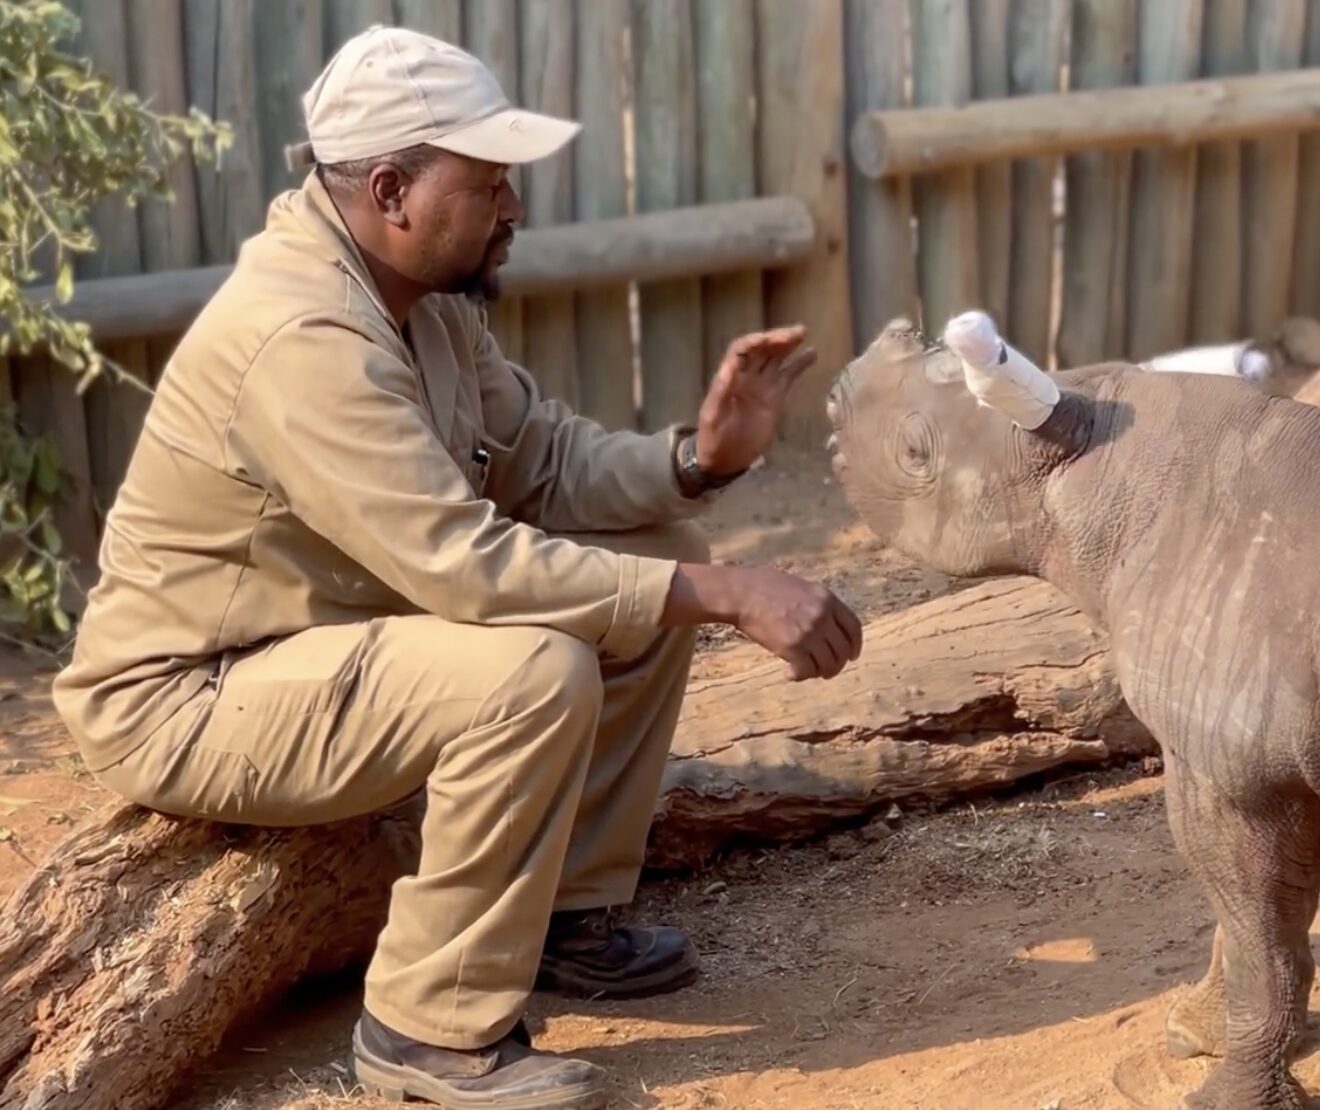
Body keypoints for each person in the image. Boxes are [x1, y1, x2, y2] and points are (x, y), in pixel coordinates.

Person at [50, 24, 862, 1110]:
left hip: (320, 646)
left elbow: (543, 461)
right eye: (490, 184)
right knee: (537, 668)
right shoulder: (303, 339)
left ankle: (564, 915)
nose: (514, 208)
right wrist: (723, 597)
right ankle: (427, 1028)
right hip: (189, 697)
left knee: (658, 552)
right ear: (392, 189)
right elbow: (464, 565)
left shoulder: (421, 302)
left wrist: (696, 461)